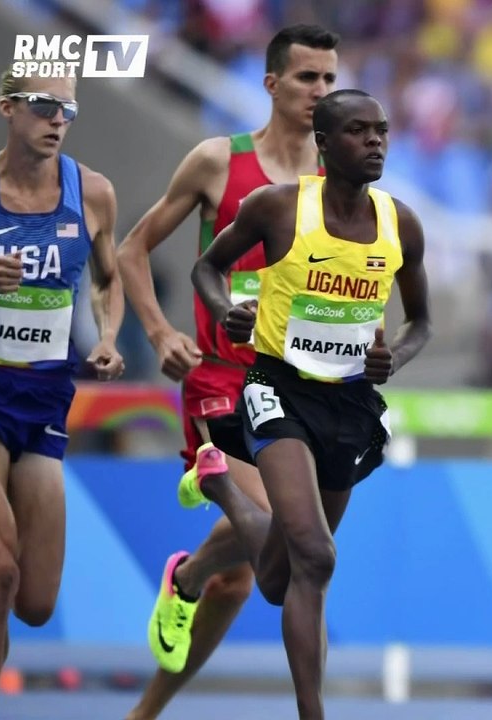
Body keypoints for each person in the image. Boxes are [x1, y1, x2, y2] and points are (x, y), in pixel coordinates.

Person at [185, 88, 431, 720]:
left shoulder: (401, 223)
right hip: (278, 391)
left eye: (382, 130)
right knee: (316, 558)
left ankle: (223, 488)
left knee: (279, 580)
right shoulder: (278, 207)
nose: (375, 141)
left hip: (350, 406)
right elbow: (207, 269)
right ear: (323, 144)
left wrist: (395, 359)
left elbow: (420, 323)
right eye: (358, 130)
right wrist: (226, 311)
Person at [113, 24, 337, 719]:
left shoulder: (336, 179)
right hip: (220, 379)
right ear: (271, 84)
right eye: (307, 77)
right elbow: (132, 249)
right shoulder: (218, 161)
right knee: (284, 529)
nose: (320, 91)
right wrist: (160, 331)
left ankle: (183, 596)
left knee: (240, 581)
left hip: (297, 387)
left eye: (330, 79)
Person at [0, 70, 124, 720]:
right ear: (8, 108)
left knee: (32, 602)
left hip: (43, 405)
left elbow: (108, 280)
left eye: (68, 109)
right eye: (44, 105)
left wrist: (109, 336)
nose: (58, 119)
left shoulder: (93, 193)